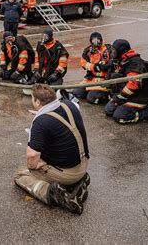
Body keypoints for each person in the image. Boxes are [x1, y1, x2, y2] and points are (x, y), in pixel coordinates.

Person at [14, 84, 90, 214]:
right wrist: (41, 113)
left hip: (67, 172)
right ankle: (77, 182)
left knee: (20, 174)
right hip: (83, 164)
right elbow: (60, 120)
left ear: (37, 102)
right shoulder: (69, 104)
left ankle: (59, 195)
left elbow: (32, 155)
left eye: (33, 99)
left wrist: (35, 166)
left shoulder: (41, 123)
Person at [105, 39, 148, 123]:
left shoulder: (134, 63)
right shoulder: (121, 60)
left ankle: (147, 113)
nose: (113, 53)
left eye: (115, 51)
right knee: (109, 110)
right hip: (127, 95)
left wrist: (120, 97)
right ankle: (128, 107)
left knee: (120, 116)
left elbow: (134, 84)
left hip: (138, 97)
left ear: (122, 51)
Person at [73, 32, 112, 104]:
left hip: (103, 80)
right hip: (91, 78)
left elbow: (111, 64)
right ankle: (92, 92)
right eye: (94, 40)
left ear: (101, 40)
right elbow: (83, 63)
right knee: (77, 93)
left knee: (91, 99)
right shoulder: (87, 51)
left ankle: (106, 96)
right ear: (90, 41)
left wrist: (106, 65)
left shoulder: (107, 50)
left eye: (98, 40)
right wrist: (94, 67)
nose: (96, 42)